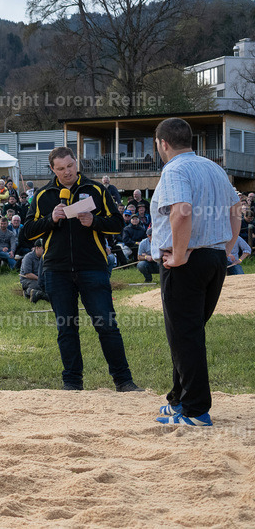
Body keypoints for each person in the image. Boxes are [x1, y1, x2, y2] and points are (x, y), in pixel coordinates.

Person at [21, 147, 142, 392]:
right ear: (52, 170)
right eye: (61, 168)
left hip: (93, 268)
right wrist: (50, 220)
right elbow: (27, 232)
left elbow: (118, 224)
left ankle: (124, 381)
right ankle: (72, 383)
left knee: (107, 325)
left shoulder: (98, 190)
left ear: (76, 163)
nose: (67, 172)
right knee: (66, 328)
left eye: (70, 166)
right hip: (57, 270)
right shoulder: (44, 195)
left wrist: (94, 221)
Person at [152, 118, 242, 427]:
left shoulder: (175, 169)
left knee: (185, 336)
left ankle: (195, 410)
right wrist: (226, 248)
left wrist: (178, 255)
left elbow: (182, 211)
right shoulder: (214, 168)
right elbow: (236, 210)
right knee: (186, 333)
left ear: (163, 143)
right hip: (213, 259)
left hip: (187, 263)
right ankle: (179, 399)